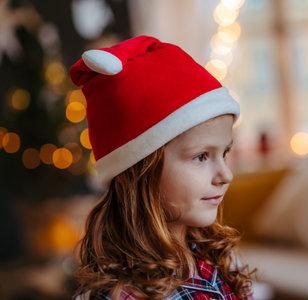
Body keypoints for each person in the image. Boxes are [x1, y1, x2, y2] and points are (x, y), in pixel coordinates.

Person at [69, 36, 255, 299]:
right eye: (201, 156)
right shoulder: (120, 294)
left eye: (224, 153)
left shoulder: (218, 259)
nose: (226, 175)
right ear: (133, 172)